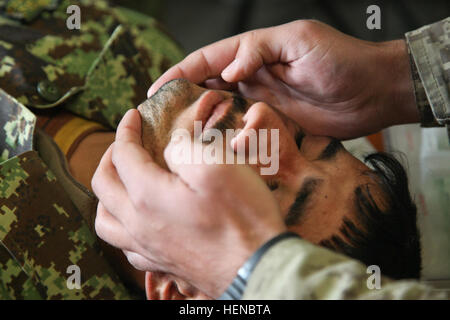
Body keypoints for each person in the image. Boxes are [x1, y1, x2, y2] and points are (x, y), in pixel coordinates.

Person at [93, 18, 450, 299]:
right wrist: (392, 77)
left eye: (261, 191)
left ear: (182, 292)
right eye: (304, 140)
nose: (263, 118)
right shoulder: (136, 44)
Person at [0, 0, 183, 299]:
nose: (259, 124)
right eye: (290, 138)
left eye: (271, 188)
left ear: (180, 291)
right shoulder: (165, 67)